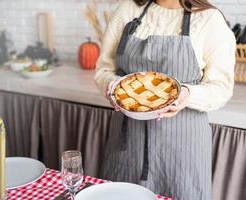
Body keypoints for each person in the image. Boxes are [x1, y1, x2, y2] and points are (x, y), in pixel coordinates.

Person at [94, 0, 236, 199]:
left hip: (183, 150)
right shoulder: (128, 9)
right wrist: (112, 88)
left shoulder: (209, 19)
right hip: (127, 146)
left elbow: (222, 87)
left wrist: (187, 94)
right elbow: (103, 70)